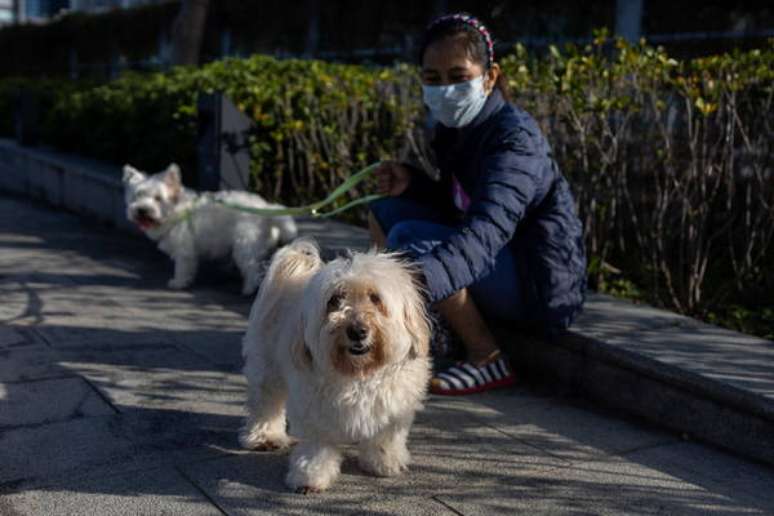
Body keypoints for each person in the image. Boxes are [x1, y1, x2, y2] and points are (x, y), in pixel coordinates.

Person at [368, 13, 587, 396]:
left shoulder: (515, 140)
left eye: (458, 76)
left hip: (539, 285)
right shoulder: (459, 129)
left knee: (411, 240)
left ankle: (487, 357)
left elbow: (485, 231)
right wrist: (413, 184)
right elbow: (459, 205)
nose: (445, 90)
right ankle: (431, 329)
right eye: (432, 79)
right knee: (385, 212)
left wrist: (413, 286)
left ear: (489, 76)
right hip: (499, 262)